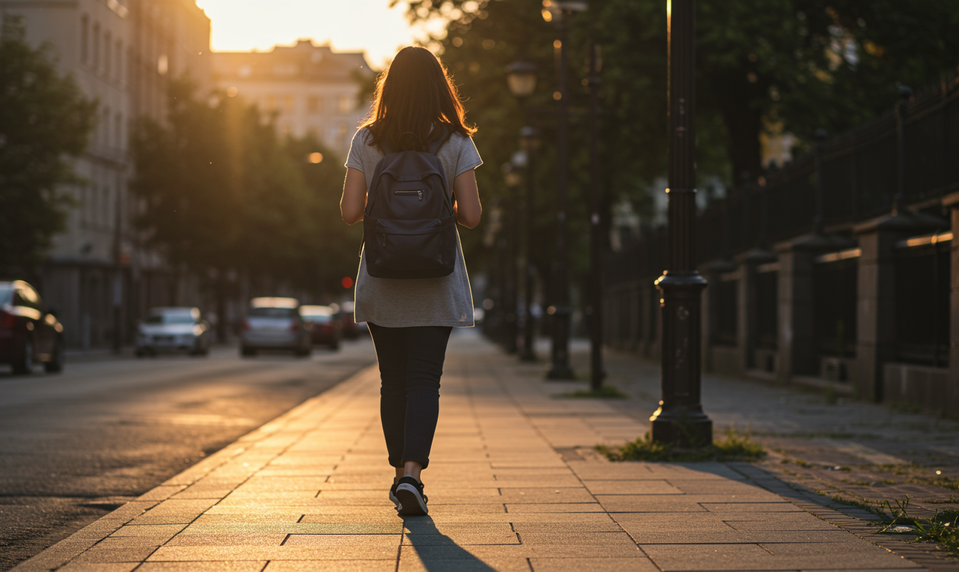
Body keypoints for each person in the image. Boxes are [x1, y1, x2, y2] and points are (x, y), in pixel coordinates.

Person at [339, 46, 482, 516]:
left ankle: (398, 470)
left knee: (392, 381)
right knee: (425, 379)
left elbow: (350, 212)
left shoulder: (367, 139)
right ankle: (411, 475)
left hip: (382, 278)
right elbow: (473, 216)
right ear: (439, 86)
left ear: (390, 88)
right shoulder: (455, 141)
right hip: (436, 279)